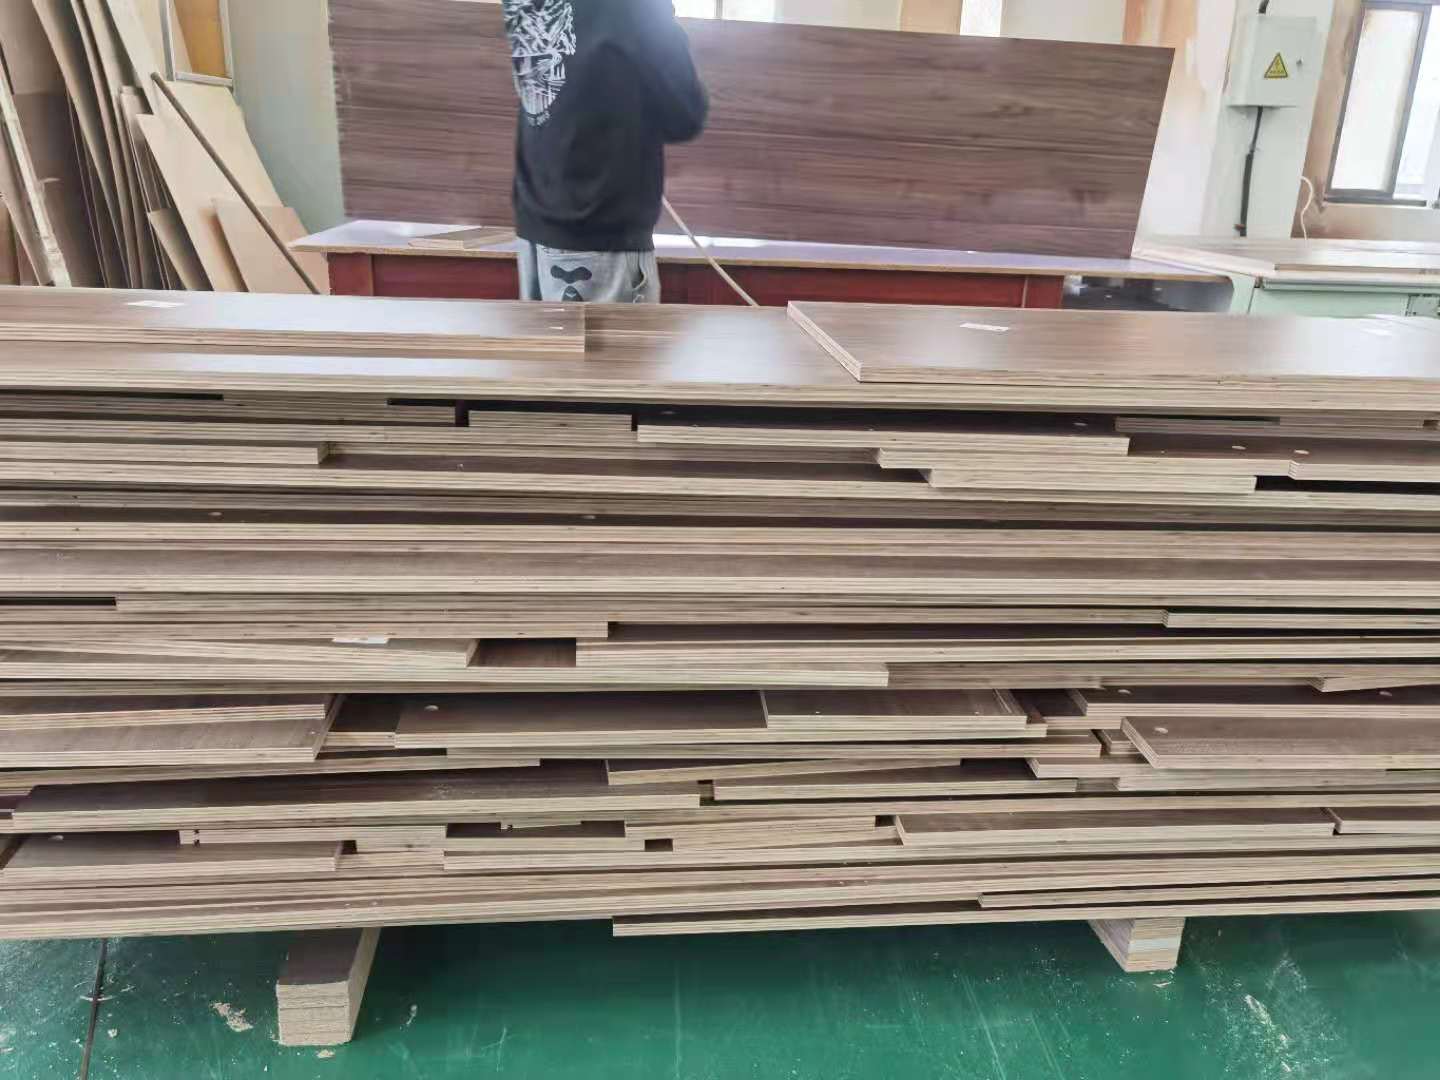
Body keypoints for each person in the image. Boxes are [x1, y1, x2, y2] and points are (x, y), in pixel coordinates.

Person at [503, 0, 708, 304]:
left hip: (536, 215)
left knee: (546, 336)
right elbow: (685, 115)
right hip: (597, 228)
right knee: (612, 339)